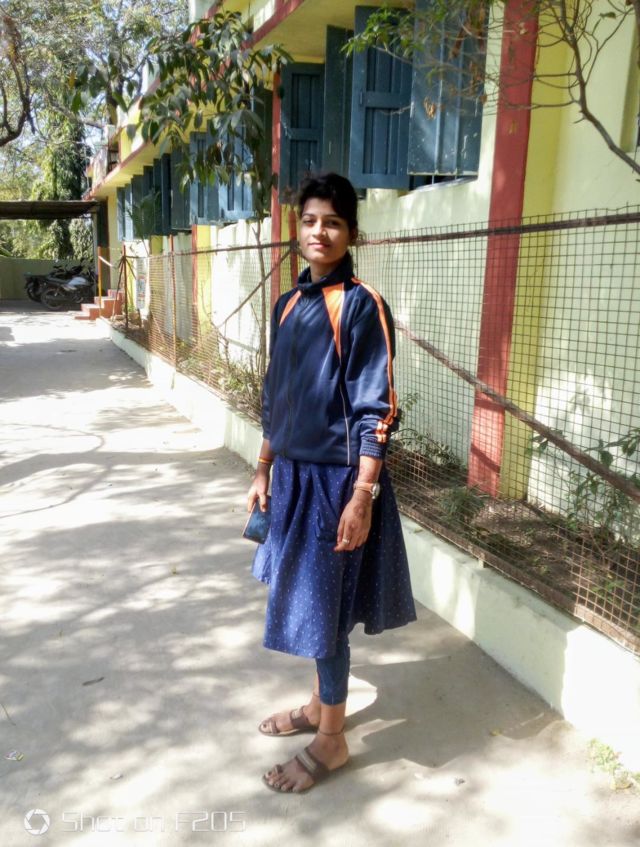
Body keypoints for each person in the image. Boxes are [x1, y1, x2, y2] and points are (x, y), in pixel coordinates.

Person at [246, 172, 416, 794]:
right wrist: (263, 466)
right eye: (312, 220)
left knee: (323, 614)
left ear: (351, 233)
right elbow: (278, 395)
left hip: (337, 484)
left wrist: (362, 495)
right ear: (299, 227)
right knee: (315, 605)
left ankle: (332, 739)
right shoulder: (288, 304)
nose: (320, 231)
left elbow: (378, 407)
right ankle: (322, 705)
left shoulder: (361, 304)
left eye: (334, 222)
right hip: (292, 477)